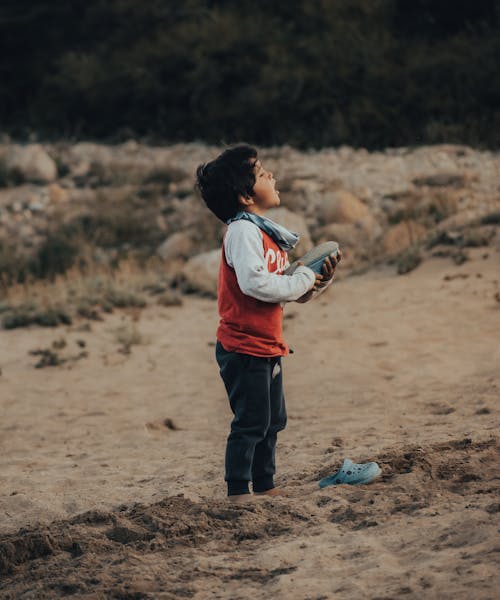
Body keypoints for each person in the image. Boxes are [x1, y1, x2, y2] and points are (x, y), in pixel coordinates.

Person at [196, 145, 340, 503]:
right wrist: (303, 278)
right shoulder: (243, 232)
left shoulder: (265, 233)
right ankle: (237, 492)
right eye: (262, 173)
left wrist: (317, 282)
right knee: (251, 422)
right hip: (243, 346)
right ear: (246, 195)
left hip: (266, 342)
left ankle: (264, 485)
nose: (272, 176)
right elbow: (255, 285)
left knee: (274, 421)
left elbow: (286, 291)